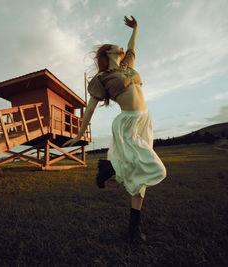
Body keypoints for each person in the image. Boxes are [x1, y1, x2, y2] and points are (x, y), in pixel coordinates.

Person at [63, 16, 167, 243]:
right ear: (108, 53)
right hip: (127, 122)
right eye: (115, 47)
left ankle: (134, 229)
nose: (121, 48)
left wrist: (137, 28)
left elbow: (132, 46)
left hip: (145, 121)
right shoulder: (102, 78)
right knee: (155, 168)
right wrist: (80, 134)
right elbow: (90, 108)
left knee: (139, 177)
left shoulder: (127, 66)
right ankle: (110, 166)